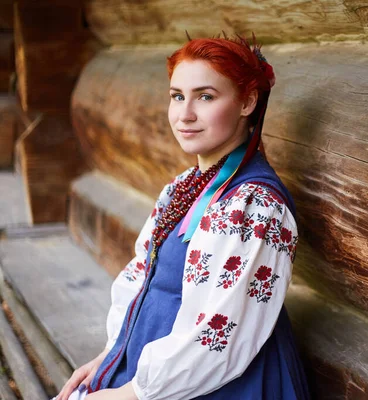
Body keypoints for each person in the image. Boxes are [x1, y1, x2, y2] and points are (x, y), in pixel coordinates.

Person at [55, 35, 310, 400]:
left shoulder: (255, 207)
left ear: (248, 102)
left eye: (205, 97)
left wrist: (127, 394)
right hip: (151, 378)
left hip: (216, 385)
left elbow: (220, 338)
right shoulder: (184, 187)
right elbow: (144, 281)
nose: (185, 114)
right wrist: (109, 359)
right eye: (177, 96)